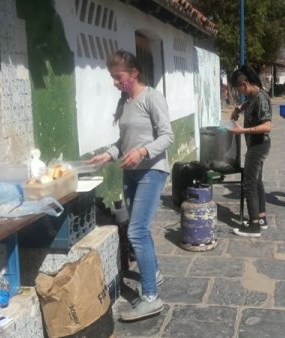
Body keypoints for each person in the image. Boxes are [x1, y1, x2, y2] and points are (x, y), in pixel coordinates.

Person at [88, 50, 174, 319]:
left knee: (136, 231)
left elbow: (167, 136)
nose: (115, 82)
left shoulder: (152, 98)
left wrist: (142, 152)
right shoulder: (125, 102)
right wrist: (108, 154)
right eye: (113, 78)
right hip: (131, 173)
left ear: (134, 73)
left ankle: (150, 297)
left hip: (151, 171)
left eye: (119, 77)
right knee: (138, 229)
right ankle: (154, 272)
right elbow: (123, 142)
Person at [228, 65, 272, 238]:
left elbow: (268, 126)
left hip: (258, 146)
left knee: (249, 184)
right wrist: (238, 109)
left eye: (239, 89)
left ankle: (254, 226)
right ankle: (261, 218)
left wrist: (243, 131)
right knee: (257, 181)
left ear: (245, 84)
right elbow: (248, 102)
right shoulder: (253, 96)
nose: (240, 92)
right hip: (256, 145)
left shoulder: (261, 97)